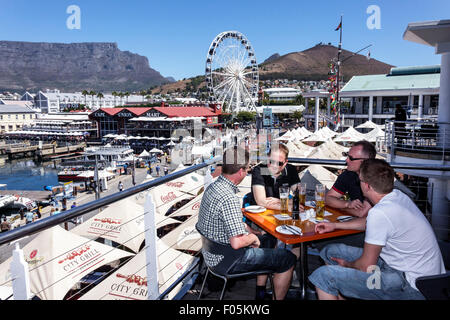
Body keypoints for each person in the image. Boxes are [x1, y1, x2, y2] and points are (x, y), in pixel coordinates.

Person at [308, 159, 446, 300]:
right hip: (414, 273)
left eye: (360, 180)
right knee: (330, 251)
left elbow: (365, 266)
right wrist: (335, 226)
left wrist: (347, 265)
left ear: (367, 186)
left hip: (411, 285)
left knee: (323, 276)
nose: (358, 183)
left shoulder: (380, 212)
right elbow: (368, 223)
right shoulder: (398, 196)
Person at [196, 147, 296, 300]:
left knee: (268, 239)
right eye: (248, 168)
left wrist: (251, 231)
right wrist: (253, 239)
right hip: (228, 259)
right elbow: (237, 243)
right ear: (241, 172)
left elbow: (226, 223)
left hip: (211, 255)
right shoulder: (229, 198)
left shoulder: (213, 187)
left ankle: (260, 292)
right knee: (288, 258)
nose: (249, 171)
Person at [325, 140, 375, 218]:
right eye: (346, 155)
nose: (346, 160)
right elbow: (328, 198)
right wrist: (347, 204)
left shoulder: (377, 177)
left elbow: (362, 213)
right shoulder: (348, 174)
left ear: (363, 162)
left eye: (351, 158)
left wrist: (341, 207)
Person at [249, 143, 300, 210]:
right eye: (271, 161)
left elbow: (299, 196)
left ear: (285, 163)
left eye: (279, 163)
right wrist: (286, 206)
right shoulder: (259, 170)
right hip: (261, 213)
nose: (274, 166)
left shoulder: (290, 170)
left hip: (282, 212)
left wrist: (279, 201)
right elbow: (261, 202)